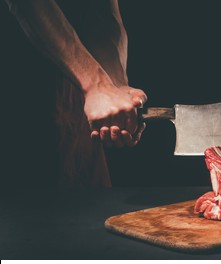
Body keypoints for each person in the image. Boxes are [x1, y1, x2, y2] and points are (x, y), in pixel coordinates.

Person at [5, 0, 147, 187]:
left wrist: (115, 85)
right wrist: (97, 84)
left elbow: (102, 10)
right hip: (16, 85)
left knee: (84, 204)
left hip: (81, 92)